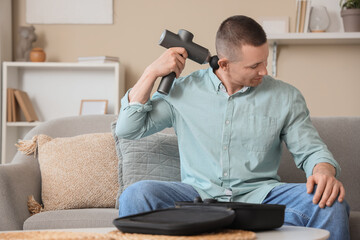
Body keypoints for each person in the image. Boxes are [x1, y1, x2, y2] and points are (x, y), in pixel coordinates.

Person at [115, 15, 350, 239]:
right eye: (254, 65)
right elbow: (128, 128)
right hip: (197, 200)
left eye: (265, 61)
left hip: (261, 201)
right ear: (224, 64)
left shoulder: (285, 96)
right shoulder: (183, 92)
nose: (264, 71)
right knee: (137, 195)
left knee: (332, 203)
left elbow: (311, 151)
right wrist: (151, 73)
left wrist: (323, 173)